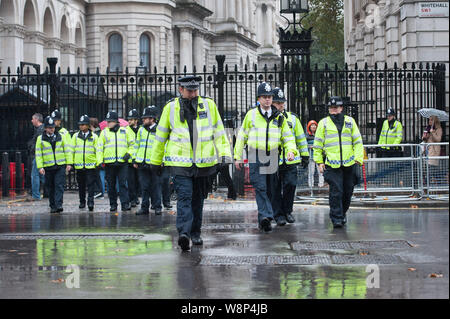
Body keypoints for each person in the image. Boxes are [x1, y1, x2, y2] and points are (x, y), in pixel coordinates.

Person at [150, 75, 232, 251]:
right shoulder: (170, 108)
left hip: (204, 163)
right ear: (181, 89)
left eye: (195, 90)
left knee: (198, 200)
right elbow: (161, 136)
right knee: (185, 198)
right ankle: (184, 234)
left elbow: (219, 132)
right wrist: (155, 161)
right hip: (181, 163)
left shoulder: (209, 105)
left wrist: (225, 155)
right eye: (190, 91)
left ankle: (195, 233)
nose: (193, 94)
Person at [234, 82, 298, 233]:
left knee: (271, 188)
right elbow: (242, 136)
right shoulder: (251, 115)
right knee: (260, 186)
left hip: (273, 155)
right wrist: (237, 156)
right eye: (264, 97)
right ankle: (266, 217)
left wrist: (291, 151)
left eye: (269, 97)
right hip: (256, 154)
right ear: (259, 98)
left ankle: (264, 218)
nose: (268, 100)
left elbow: (288, 137)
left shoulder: (279, 116)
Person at [313, 96, 364, 228]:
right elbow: (318, 144)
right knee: (336, 191)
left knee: (348, 191)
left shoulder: (350, 122)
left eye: (336, 108)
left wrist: (358, 158)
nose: (334, 110)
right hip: (332, 164)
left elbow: (357, 141)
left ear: (341, 108)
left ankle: (342, 213)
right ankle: (336, 218)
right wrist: (319, 161)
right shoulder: (323, 123)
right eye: (331, 108)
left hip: (349, 163)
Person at [271, 87, 309, 226]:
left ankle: (287, 211)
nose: (281, 105)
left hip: (290, 159)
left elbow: (300, 138)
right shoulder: (268, 118)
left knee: (291, 185)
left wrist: (305, 155)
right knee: (275, 188)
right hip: (273, 160)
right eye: (278, 102)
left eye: (282, 102)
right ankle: (278, 214)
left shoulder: (293, 118)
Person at [97, 110, 135, 212]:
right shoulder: (104, 132)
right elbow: (99, 148)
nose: (108, 123)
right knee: (111, 185)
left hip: (122, 162)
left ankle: (125, 204)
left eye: (110, 121)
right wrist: (99, 161)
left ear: (116, 122)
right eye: (107, 121)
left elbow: (133, 144)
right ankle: (113, 205)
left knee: (123, 184)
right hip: (109, 163)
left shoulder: (125, 131)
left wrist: (129, 153)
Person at [35, 116, 73, 213]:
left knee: (59, 185)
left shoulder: (61, 136)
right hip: (48, 166)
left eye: (52, 127)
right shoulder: (40, 139)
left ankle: (59, 204)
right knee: (50, 186)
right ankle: (52, 205)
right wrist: (40, 167)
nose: (51, 129)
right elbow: (38, 154)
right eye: (49, 127)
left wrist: (69, 163)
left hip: (60, 165)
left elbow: (67, 150)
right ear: (45, 128)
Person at [134, 106, 162, 215]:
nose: (143, 120)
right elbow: (137, 145)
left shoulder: (159, 130)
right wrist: (135, 160)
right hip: (142, 163)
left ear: (152, 119)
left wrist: (162, 161)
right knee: (144, 187)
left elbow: (163, 146)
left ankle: (157, 206)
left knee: (156, 186)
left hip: (155, 163)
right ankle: (144, 208)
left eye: (145, 118)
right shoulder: (141, 130)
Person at [72, 115, 98, 211]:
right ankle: (82, 201)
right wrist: (71, 163)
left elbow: (97, 150)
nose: (81, 126)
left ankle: (90, 202)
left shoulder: (94, 137)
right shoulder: (75, 136)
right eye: (80, 125)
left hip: (90, 165)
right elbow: (72, 150)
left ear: (88, 125)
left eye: (83, 125)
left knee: (91, 185)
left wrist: (97, 162)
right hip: (79, 165)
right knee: (81, 185)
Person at [126, 109, 141, 207]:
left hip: (139, 159)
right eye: (129, 119)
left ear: (136, 120)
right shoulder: (125, 130)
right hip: (129, 160)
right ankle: (132, 199)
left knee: (139, 181)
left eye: (132, 119)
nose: (129, 121)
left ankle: (137, 197)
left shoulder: (141, 129)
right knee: (130, 181)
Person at [28, 113, 45, 200]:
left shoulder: (40, 130)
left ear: (36, 120)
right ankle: (47, 192)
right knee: (42, 175)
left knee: (35, 175)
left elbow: (36, 144)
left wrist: (31, 148)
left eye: (32, 119)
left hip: (38, 155)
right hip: (41, 155)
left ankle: (36, 195)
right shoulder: (41, 129)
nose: (31, 121)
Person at [422, 115, 443, 184]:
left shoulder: (438, 129)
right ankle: (428, 185)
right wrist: (425, 137)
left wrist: (433, 132)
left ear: (435, 121)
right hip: (428, 150)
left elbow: (438, 139)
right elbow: (424, 139)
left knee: (430, 169)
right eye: (429, 119)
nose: (429, 121)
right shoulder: (428, 128)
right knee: (428, 169)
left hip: (434, 151)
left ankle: (428, 185)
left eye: (431, 120)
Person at [306, 120, 324, 188]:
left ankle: (321, 184)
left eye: (315, 125)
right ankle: (311, 184)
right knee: (311, 171)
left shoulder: (319, 135)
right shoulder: (307, 136)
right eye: (312, 125)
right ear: (309, 127)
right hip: (311, 156)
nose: (313, 127)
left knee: (320, 171)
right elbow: (305, 144)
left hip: (319, 156)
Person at [90, 117, 105, 199]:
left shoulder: (96, 134)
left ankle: (100, 192)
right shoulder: (100, 132)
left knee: (100, 176)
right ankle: (100, 192)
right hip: (100, 158)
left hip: (98, 158)